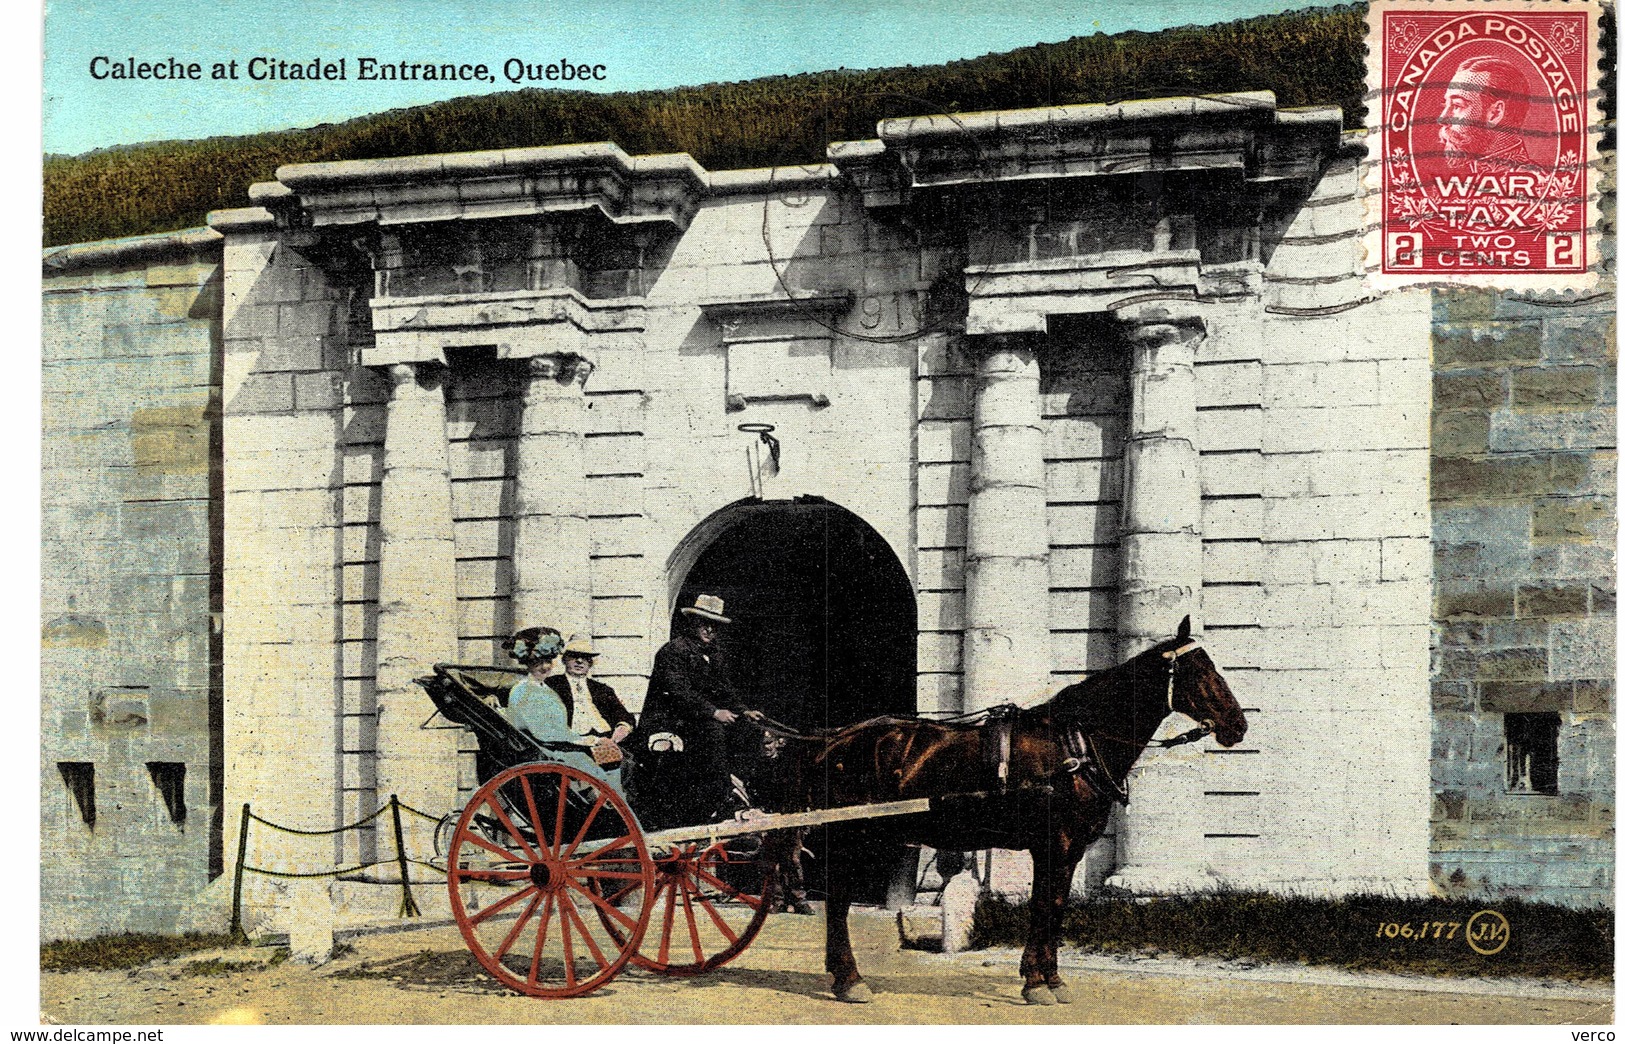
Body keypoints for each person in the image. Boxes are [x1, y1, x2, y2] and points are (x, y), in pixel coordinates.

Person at [633, 594, 764, 827]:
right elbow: (679, 692)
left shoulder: (714, 655)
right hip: (669, 721)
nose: (709, 629)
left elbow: (725, 689)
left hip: (696, 717)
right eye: (704, 623)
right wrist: (714, 712)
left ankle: (741, 787)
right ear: (692, 623)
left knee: (752, 730)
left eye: (715, 625)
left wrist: (743, 711)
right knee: (713, 729)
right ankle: (722, 796)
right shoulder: (673, 651)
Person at [501, 626, 623, 790]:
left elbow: (559, 729)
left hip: (560, 748)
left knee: (617, 761)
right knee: (601, 764)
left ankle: (614, 803)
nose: (545, 667)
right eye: (538, 662)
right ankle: (609, 804)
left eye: (549, 661)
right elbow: (546, 733)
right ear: (527, 662)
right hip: (547, 753)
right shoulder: (523, 690)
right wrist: (593, 740)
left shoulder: (545, 689)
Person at [545, 634, 635, 768]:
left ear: (591, 663)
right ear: (564, 660)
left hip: (606, 740)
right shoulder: (551, 685)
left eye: (585, 658)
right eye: (574, 656)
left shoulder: (602, 689)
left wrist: (619, 732)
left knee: (629, 762)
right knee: (611, 765)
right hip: (572, 744)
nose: (579, 661)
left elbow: (623, 715)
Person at [1438, 55, 1534, 175]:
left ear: (1495, 113)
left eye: (1457, 105)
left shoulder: (1541, 183)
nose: (1442, 118)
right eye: (1445, 105)